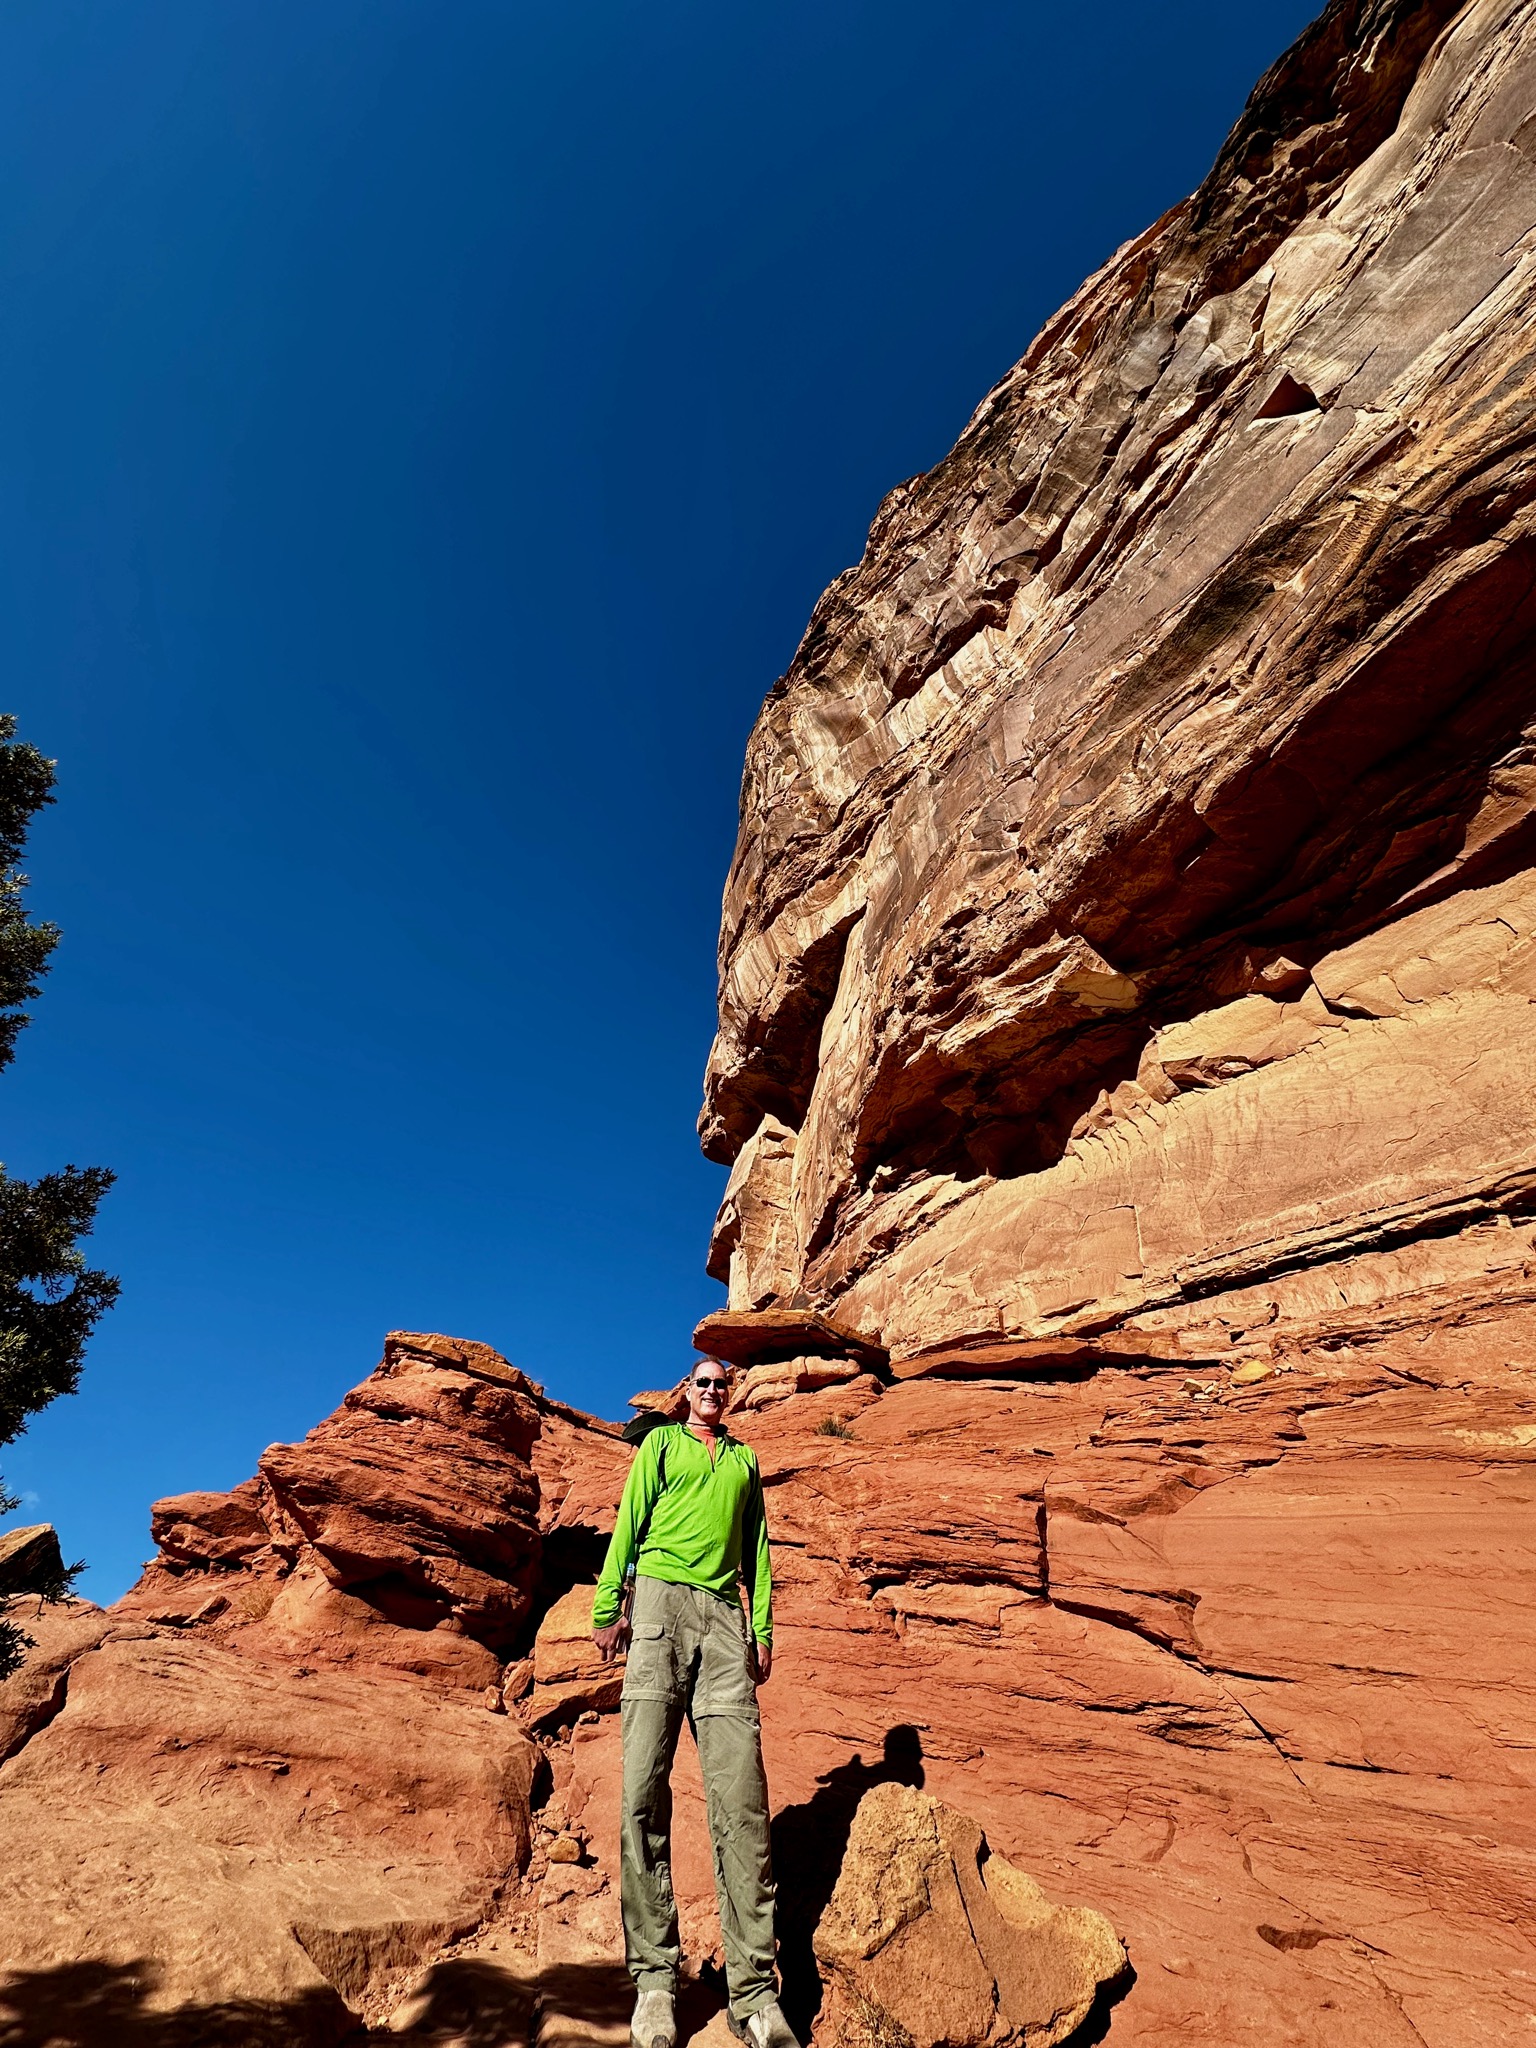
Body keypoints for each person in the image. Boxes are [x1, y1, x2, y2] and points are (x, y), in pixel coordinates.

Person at [592, 1360, 798, 2048]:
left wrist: (761, 1629)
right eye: (703, 1383)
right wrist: (607, 1605)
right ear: (688, 1392)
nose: (713, 1392)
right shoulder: (661, 1445)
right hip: (656, 1604)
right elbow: (628, 1523)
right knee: (642, 1793)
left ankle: (754, 1995)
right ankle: (655, 1982)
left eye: (722, 1384)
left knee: (741, 1803)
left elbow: (759, 1551)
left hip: (720, 1621)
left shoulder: (744, 1460)